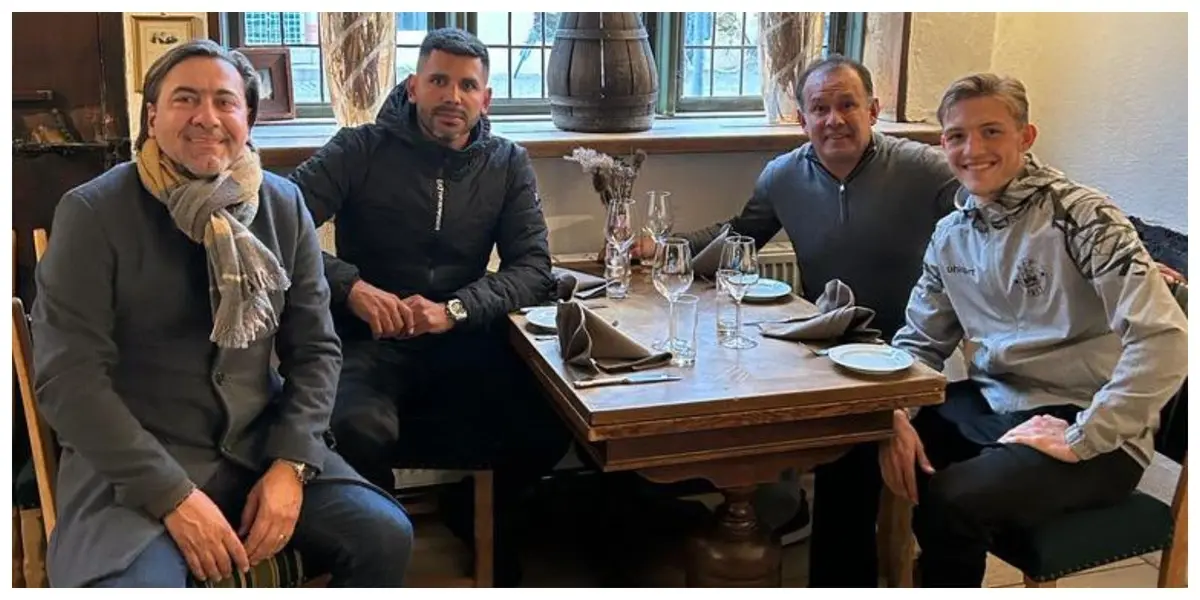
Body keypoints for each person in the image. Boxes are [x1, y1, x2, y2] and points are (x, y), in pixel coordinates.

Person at [30, 40, 413, 587]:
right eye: (185, 99)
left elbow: (317, 349)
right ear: (152, 115)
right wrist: (172, 494)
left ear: (248, 119)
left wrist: (292, 463)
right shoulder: (93, 212)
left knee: (384, 536)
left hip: (262, 449)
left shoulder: (283, 205)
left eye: (225, 102)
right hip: (134, 466)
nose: (206, 117)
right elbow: (69, 379)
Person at [620, 55, 961, 586]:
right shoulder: (783, 175)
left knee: (886, 483)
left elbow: (989, 219)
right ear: (802, 120)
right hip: (831, 348)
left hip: (913, 353)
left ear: (873, 109)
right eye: (819, 108)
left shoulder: (927, 170)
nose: (834, 119)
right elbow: (738, 236)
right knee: (808, 457)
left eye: (847, 104)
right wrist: (665, 247)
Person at [288, 28, 570, 585]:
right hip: (369, 338)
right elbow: (276, 226)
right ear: (413, 86)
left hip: (464, 338)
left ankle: (476, 515)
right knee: (352, 427)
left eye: (468, 85)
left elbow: (534, 268)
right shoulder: (357, 147)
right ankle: (379, 547)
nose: (453, 96)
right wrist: (351, 286)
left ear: (485, 99)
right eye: (439, 80)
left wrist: (455, 310)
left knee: (548, 426)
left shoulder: (507, 162)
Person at [887, 73, 1188, 587]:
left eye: (991, 131)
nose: (972, 149)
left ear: (1026, 138)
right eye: (957, 135)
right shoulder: (950, 234)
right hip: (999, 402)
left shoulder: (1085, 217)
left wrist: (1083, 434)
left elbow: (1166, 339)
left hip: (1093, 424)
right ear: (943, 144)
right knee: (862, 440)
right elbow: (920, 339)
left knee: (950, 501)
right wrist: (894, 409)